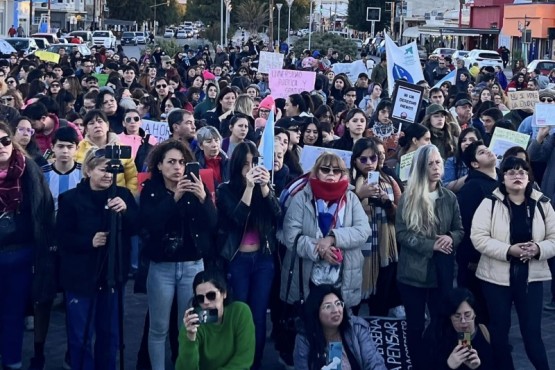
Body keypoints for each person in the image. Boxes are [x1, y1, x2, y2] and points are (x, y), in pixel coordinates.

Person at [57, 147, 138, 370]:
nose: (107, 175)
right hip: (81, 278)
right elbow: (62, 238)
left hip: (113, 276)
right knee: (80, 335)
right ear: (89, 170)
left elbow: (137, 228)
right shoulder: (70, 199)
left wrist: (126, 212)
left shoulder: (123, 196)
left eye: (111, 171)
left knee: (109, 334)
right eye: (102, 170)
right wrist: (88, 241)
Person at [471, 156, 555, 370]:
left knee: (532, 334)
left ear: (528, 177)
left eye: (522, 172)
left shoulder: (542, 203)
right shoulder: (489, 202)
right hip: (495, 278)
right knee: (499, 332)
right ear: (503, 177)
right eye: (511, 172)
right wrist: (508, 251)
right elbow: (478, 237)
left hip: (532, 278)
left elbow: (554, 238)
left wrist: (538, 249)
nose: (517, 176)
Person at [140, 140, 217, 370]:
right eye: (171, 162)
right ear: (160, 165)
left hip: (193, 266)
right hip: (162, 267)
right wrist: (173, 199)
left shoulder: (197, 186)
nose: (177, 167)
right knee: (159, 328)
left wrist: (204, 198)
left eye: (182, 162)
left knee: (190, 326)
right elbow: (150, 224)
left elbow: (212, 224)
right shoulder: (151, 189)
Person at [395, 144, 464, 370]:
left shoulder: (450, 197)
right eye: (430, 163)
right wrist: (431, 244)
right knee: (415, 326)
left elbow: (459, 229)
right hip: (412, 273)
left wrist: (451, 238)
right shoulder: (409, 197)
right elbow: (403, 234)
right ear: (421, 167)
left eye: (438, 163)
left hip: (441, 273)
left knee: (439, 322)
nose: (436, 168)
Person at [216, 141, 281, 370]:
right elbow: (236, 219)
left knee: (259, 315)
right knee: (239, 314)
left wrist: (264, 189)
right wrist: (249, 188)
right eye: (245, 164)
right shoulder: (225, 190)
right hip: (238, 260)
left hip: (263, 260)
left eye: (254, 163)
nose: (250, 168)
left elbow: (277, 216)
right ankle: (238, 362)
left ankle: (256, 362)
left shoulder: (266, 187)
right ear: (237, 166)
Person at [280, 152, 370, 309]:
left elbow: (363, 231)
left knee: (339, 325)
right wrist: (320, 250)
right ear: (316, 172)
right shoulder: (302, 197)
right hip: (307, 277)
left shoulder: (351, 198)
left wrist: (333, 238)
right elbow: (290, 236)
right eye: (325, 169)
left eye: (336, 171)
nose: (331, 174)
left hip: (343, 277)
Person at [0, 121, 54, 370]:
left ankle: (12, 361)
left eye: (4, 141)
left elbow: (44, 210)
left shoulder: (29, 170)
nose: (1, 147)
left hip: (20, 254)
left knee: (13, 313)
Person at [350, 138, 403, 317]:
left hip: (385, 247)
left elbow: (400, 215)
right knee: (353, 301)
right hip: (357, 250)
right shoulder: (347, 180)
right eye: (363, 159)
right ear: (355, 160)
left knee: (381, 299)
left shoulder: (388, 179)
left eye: (373, 158)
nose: (369, 163)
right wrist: (358, 195)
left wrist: (387, 204)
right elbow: (340, 215)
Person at [293, 284, 387, 370]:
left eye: (338, 304)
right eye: (328, 306)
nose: (336, 310)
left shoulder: (356, 328)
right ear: (315, 312)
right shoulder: (304, 339)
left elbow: (375, 363)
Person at [456, 141, 499, 325]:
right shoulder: (472, 187)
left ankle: (492, 348)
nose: (489, 152)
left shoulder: (499, 183)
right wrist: (473, 258)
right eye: (482, 152)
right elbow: (466, 225)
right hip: (476, 262)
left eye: (487, 148)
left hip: (495, 257)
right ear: (474, 164)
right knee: (473, 313)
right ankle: (470, 349)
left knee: (493, 310)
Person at [177, 269, 255, 370]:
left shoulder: (240, 312)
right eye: (200, 298)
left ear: (224, 293)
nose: (206, 302)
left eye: (211, 295)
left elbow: (243, 360)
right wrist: (190, 338)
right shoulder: (192, 324)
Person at [75, 109, 138, 194]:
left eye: (100, 121)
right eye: (91, 123)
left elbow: (132, 177)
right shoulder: (78, 150)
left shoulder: (121, 148)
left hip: (118, 198)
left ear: (107, 125)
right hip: (88, 198)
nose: (97, 125)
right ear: (86, 129)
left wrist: (128, 197)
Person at [430, 288, 493, 370]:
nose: (463, 321)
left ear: (474, 313)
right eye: (457, 316)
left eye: (467, 315)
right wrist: (448, 366)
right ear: (449, 316)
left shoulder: (486, 333)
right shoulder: (437, 333)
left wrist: (478, 367)